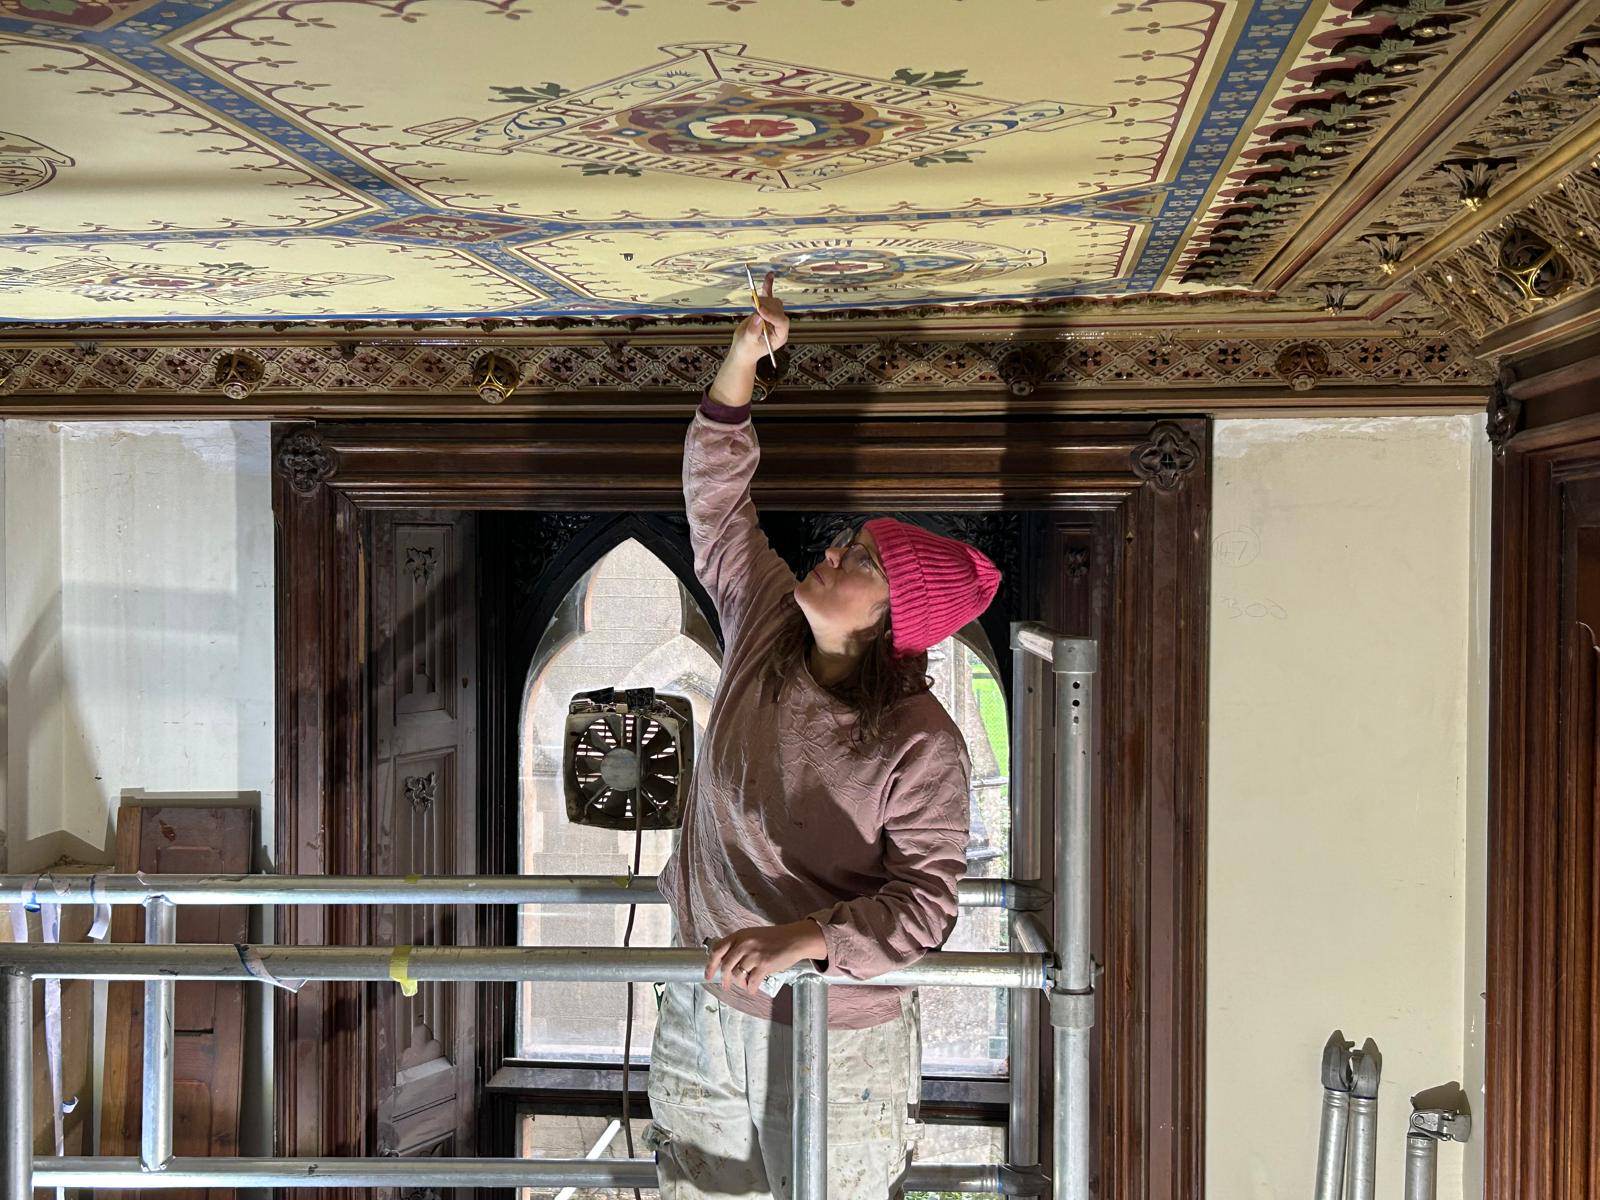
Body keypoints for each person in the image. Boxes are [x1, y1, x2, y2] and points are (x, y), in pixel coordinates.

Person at [645, 273, 1003, 1200]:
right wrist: (740, 366)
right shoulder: (767, 621)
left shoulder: (921, 745)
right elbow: (717, 506)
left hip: (839, 1032)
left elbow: (923, 911)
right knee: (697, 1190)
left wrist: (804, 939)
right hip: (704, 999)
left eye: (861, 560)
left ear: (894, 619)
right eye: (848, 541)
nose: (832, 552)